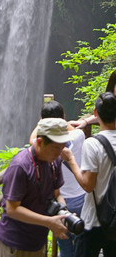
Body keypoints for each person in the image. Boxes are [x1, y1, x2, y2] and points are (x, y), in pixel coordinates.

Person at [0, 117, 74, 257]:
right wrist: (49, 222)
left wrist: (64, 214)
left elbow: (57, 194)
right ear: (40, 142)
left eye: (63, 147)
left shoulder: (54, 161)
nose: (60, 152)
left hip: (38, 242)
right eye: (56, 148)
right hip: (14, 245)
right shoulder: (20, 167)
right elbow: (12, 209)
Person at [61, 92, 116, 257]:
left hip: (94, 221)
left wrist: (70, 159)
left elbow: (87, 185)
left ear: (95, 113)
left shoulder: (93, 144)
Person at [30, 101, 85, 257]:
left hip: (59, 200)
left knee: (65, 242)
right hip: (81, 196)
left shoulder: (44, 144)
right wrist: (64, 123)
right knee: (81, 239)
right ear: (64, 118)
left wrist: (42, 123)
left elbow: (32, 139)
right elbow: (71, 130)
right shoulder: (79, 135)